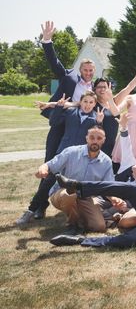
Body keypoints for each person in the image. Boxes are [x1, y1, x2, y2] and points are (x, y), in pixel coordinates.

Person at [16, 21, 97, 225]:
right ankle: (40, 206)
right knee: (51, 166)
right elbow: (54, 63)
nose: (88, 73)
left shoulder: (96, 88)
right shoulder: (69, 77)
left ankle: (77, 203)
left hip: (81, 129)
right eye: (86, 70)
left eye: (91, 71)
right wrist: (47, 41)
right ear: (81, 69)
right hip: (61, 125)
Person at [33, 125, 115, 233]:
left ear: (104, 140)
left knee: (98, 227)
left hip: (86, 197)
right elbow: (50, 165)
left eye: (99, 138)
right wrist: (42, 170)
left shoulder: (106, 162)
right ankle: (72, 226)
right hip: (62, 193)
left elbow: (108, 186)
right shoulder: (71, 152)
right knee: (69, 195)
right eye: (92, 137)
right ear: (86, 138)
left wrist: (114, 199)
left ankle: (83, 220)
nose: (95, 141)